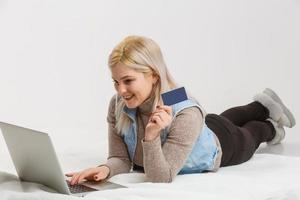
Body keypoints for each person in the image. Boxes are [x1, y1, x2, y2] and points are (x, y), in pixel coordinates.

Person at [66, 35, 296, 184]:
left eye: (128, 80)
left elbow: (161, 177)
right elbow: (120, 158)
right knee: (217, 118)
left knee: (250, 133)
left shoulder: (185, 112)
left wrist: (152, 135)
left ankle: (270, 127)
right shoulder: (118, 104)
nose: (121, 90)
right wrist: (105, 169)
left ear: (153, 75)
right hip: (202, 127)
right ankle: (261, 104)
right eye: (116, 82)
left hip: (224, 146)